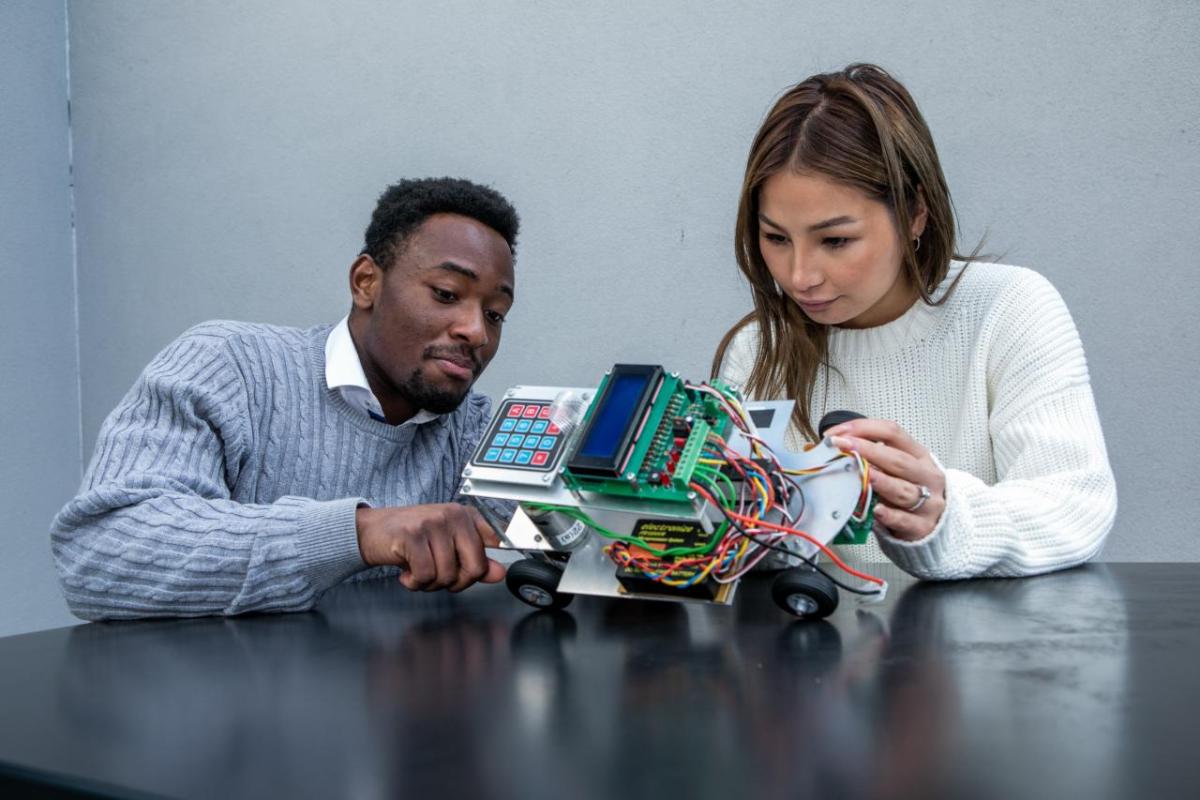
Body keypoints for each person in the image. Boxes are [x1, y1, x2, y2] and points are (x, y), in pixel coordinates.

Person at [712, 64, 1117, 580]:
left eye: (835, 240)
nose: (800, 276)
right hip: (813, 653)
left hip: (983, 654)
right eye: (776, 238)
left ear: (914, 213)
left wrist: (946, 516)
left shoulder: (1007, 308)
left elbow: (1076, 505)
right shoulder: (755, 350)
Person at [52, 177, 520, 619]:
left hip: (393, 697)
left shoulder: (475, 430)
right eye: (445, 293)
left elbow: (575, 546)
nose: (475, 331)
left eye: (495, 314)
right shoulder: (229, 365)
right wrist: (357, 533)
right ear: (365, 282)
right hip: (226, 698)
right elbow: (100, 553)